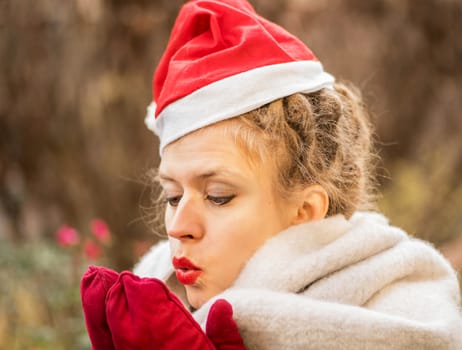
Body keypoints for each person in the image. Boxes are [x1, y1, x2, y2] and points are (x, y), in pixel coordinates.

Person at [81, 0, 462, 349]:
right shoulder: (150, 293)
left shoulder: (403, 309)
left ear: (305, 210)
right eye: (173, 196)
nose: (179, 227)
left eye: (217, 195)